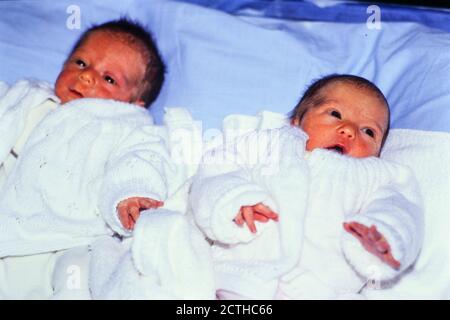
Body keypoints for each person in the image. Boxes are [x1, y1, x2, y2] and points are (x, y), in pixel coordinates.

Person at [190, 74, 424, 299]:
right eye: (335, 113)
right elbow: (217, 166)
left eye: (369, 131)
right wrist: (235, 198)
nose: (349, 130)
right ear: (297, 122)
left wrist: (385, 236)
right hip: (239, 279)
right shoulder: (271, 144)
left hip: (323, 291)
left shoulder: (377, 175)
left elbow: (400, 208)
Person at [0, 18, 186, 299]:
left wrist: (132, 192)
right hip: (8, 226)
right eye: (80, 63)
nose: (87, 76)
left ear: (135, 104)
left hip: (73, 238)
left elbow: (143, 159)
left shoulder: (130, 126)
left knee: (81, 277)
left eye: (109, 79)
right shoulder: (27, 98)